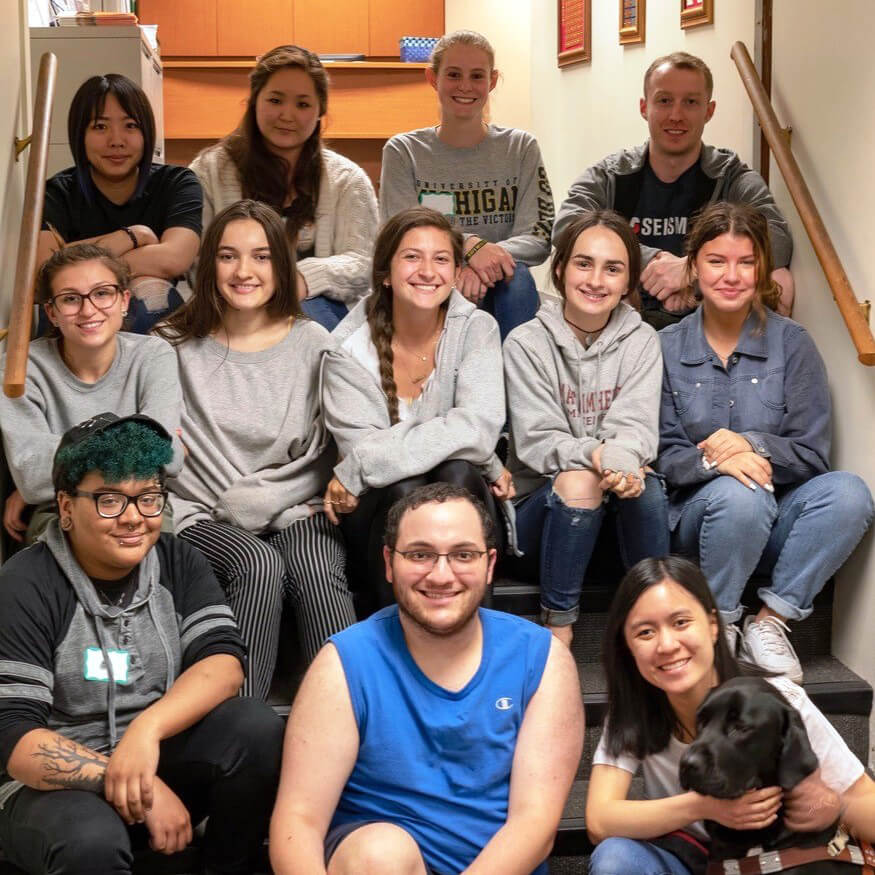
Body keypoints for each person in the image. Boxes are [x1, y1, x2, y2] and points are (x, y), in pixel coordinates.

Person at [0, 413, 284, 875]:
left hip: (153, 752)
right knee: (89, 840)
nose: (134, 518)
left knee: (254, 727)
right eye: (110, 500)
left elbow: (224, 665)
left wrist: (145, 732)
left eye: (148, 498)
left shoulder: (177, 559)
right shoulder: (24, 584)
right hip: (50, 791)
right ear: (66, 508)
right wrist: (134, 782)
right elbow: (14, 740)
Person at [269, 483, 584, 875]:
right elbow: (298, 822)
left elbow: (534, 825)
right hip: (380, 864)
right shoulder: (344, 663)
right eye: (420, 554)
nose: (440, 574)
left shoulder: (540, 659)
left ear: (488, 566)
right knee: (379, 853)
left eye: (463, 555)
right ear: (388, 562)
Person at [657, 202, 873, 682]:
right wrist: (718, 460)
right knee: (740, 493)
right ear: (693, 267)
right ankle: (720, 624)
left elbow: (812, 454)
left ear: (762, 269)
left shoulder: (794, 344)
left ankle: (770, 621)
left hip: (776, 519)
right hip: (700, 522)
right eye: (716, 261)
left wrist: (750, 444)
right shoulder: (665, 348)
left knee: (850, 492)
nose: (731, 275)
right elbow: (664, 457)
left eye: (746, 262)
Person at [157, 199, 355, 700]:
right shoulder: (169, 345)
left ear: (282, 266)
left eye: (262, 257)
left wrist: (261, 501)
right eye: (228, 256)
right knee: (257, 564)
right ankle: (238, 734)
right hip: (198, 513)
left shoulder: (315, 342)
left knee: (316, 568)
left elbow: (325, 453)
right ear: (208, 266)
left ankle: (349, 725)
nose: (244, 271)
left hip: (292, 506)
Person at [586, 556, 875, 875]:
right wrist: (705, 806)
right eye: (645, 632)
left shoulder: (775, 699)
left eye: (681, 622)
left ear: (713, 626)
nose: (667, 644)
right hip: (688, 855)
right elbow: (600, 821)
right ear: (627, 646)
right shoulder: (632, 710)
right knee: (616, 858)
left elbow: (865, 799)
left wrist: (835, 806)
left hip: (775, 861)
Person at [321, 206, 513, 612]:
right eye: (412, 257)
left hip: (459, 497)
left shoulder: (477, 329)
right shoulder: (345, 348)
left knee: (457, 473)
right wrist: (485, 458)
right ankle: (400, 638)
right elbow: (364, 452)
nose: (428, 271)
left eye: (441, 259)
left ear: (457, 272)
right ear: (385, 274)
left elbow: (478, 429)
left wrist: (362, 465)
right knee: (406, 489)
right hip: (375, 517)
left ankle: (474, 629)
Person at [504, 210, 669, 647]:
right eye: (584, 263)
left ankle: (654, 619)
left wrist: (621, 462)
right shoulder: (525, 343)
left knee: (647, 487)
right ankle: (558, 627)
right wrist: (602, 456)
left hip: (615, 513)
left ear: (628, 280)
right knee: (580, 480)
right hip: (541, 520)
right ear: (559, 269)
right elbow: (538, 440)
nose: (596, 280)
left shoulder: (642, 340)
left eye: (612, 268)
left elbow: (636, 427)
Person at [553, 52, 794, 328]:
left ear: (709, 110)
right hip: (625, 314)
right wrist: (646, 261)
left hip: (706, 316)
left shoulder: (730, 175)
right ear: (645, 107)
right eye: (664, 101)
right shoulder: (612, 174)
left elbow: (777, 236)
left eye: (690, 102)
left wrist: (695, 269)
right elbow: (566, 227)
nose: (676, 115)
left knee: (780, 280)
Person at [0, 243, 183, 545]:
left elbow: (169, 457)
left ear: (124, 300)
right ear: (52, 312)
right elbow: (32, 478)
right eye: (70, 299)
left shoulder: (153, 355)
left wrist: (60, 462)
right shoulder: (19, 368)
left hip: (142, 506)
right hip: (59, 511)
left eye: (102, 293)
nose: (88, 310)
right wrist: (136, 436)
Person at [380, 29, 555, 341]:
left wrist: (483, 261)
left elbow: (539, 237)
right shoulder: (403, 151)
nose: (465, 86)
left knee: (520, 282)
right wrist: (467, 249)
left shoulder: (521, 148)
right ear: (432, 79)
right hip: (432, 278)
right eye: (453, 74)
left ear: (493, 81)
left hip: (503, 287)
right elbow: (401, 236)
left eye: (477, 76)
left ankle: (519, 386)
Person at [190, 45, 379, 331]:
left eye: (302, 104)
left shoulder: (347, 179)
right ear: (254, 101)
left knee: (305, 320)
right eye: (276, 100)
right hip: (230, 305)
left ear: (319, 112)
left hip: (320, 312)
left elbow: (365, 262)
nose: (287, 115)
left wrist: (302, 280)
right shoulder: (208, 171)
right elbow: (196, 258)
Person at [38, 74, 202, 333]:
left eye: (130, 126)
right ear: (79, 134)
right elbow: (45, 271)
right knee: (54, 312)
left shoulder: (177, 182)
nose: (116, 140)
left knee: (153, 297)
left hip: (146, 312)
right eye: (100, 127)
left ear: (146, 132)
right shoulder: (56, 192)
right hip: (76, 314)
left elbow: (175, 258)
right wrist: (133, 236)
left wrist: (73, 263)